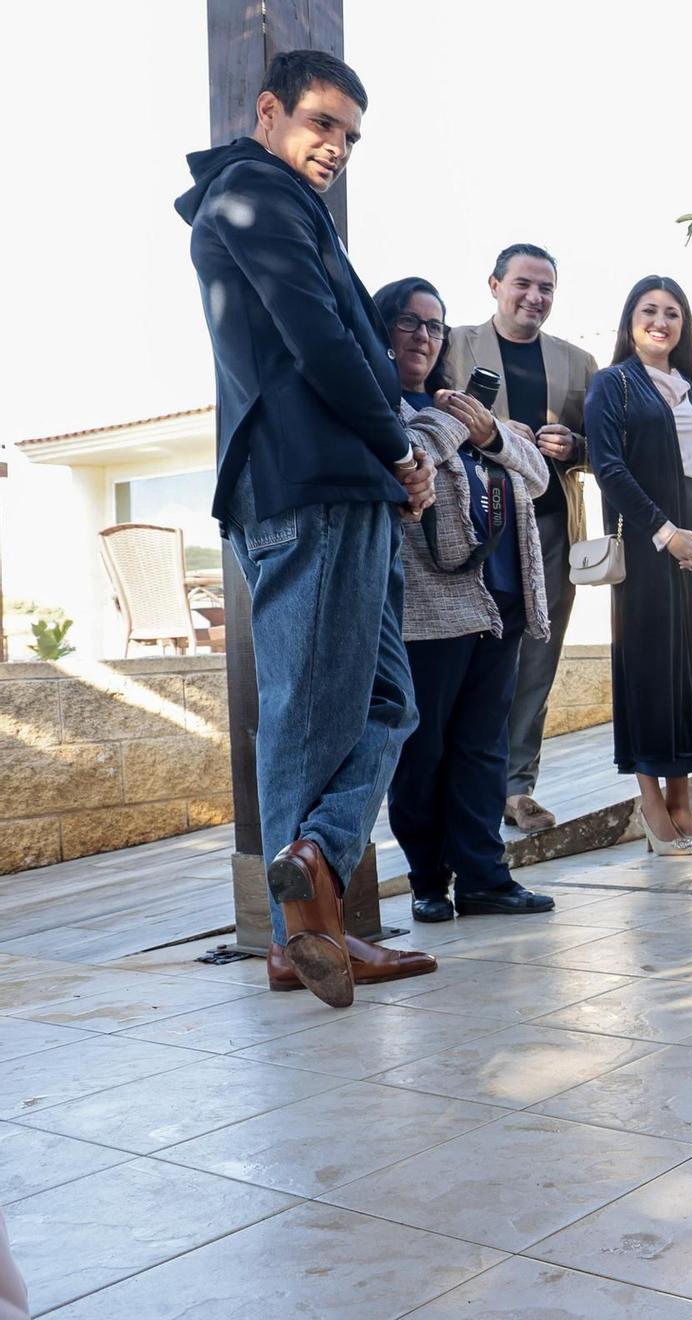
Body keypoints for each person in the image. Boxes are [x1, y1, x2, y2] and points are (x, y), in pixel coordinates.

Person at [177, 49, 437, 1007]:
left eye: (350, 137)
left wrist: (387, 461)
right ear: (271, 109)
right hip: (308, 485)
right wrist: (399, 449)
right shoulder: (255, 192)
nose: (336, 148)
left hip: (342, 485)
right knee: (309, 708)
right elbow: (319, 336)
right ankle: (304, 926)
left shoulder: (282, 200)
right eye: (323, 124)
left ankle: (312, 875)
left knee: (383, 702)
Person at [377, 278, 560, 922]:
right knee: (423, 754)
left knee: (485, 750)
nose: (424, 337)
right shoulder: (385, 413)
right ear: (380, 329)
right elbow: (415, 455)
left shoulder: (467, 413)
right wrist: (464, 424)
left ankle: (485, 877)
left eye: (435, 326)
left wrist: (488, 434)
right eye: (409, 323)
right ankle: (429, 879)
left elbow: (537, 475)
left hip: (501, 603)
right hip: (431, 611)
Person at [443, 244, 599, 835]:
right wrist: (484, 431)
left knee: (538, 658)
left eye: (547, 288)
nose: (535, 297)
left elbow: (603, 445)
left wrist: (574, 448)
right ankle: (464, 787)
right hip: (475, 526)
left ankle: (517, 787)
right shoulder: (455, 345)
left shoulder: (578, 362)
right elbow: (422, 415)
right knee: (471, 659)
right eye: (524, 284)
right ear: (494, 285)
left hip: (551, 526)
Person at [587, 277, 692, 855]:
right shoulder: (613, 384)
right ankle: (652, 802)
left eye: (673, 313)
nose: (661, 321)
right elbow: (608, 467)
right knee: (650, 671)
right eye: (649, 310)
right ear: (629, 321)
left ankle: (683, 800)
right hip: (649, 553)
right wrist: (666, 534)